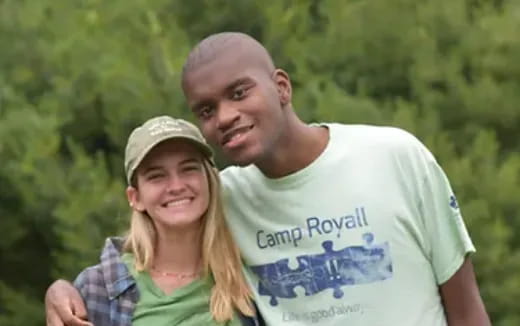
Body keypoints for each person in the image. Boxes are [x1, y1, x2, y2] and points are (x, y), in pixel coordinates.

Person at [46, 32, 491, 326]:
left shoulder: (396, 156)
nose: (226, 116)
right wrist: (62, 289)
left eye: (239, 93)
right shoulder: (225, 196)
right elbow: (147, 244)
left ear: (281, 86)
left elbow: (466, 305)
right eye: (206, 110)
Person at [60, 115, 260, 326]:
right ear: (135, 198)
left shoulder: (252, 273)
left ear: (210, 180)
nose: (176, 186)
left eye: (188, 169)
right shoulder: (97, 289)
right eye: (156, 176)